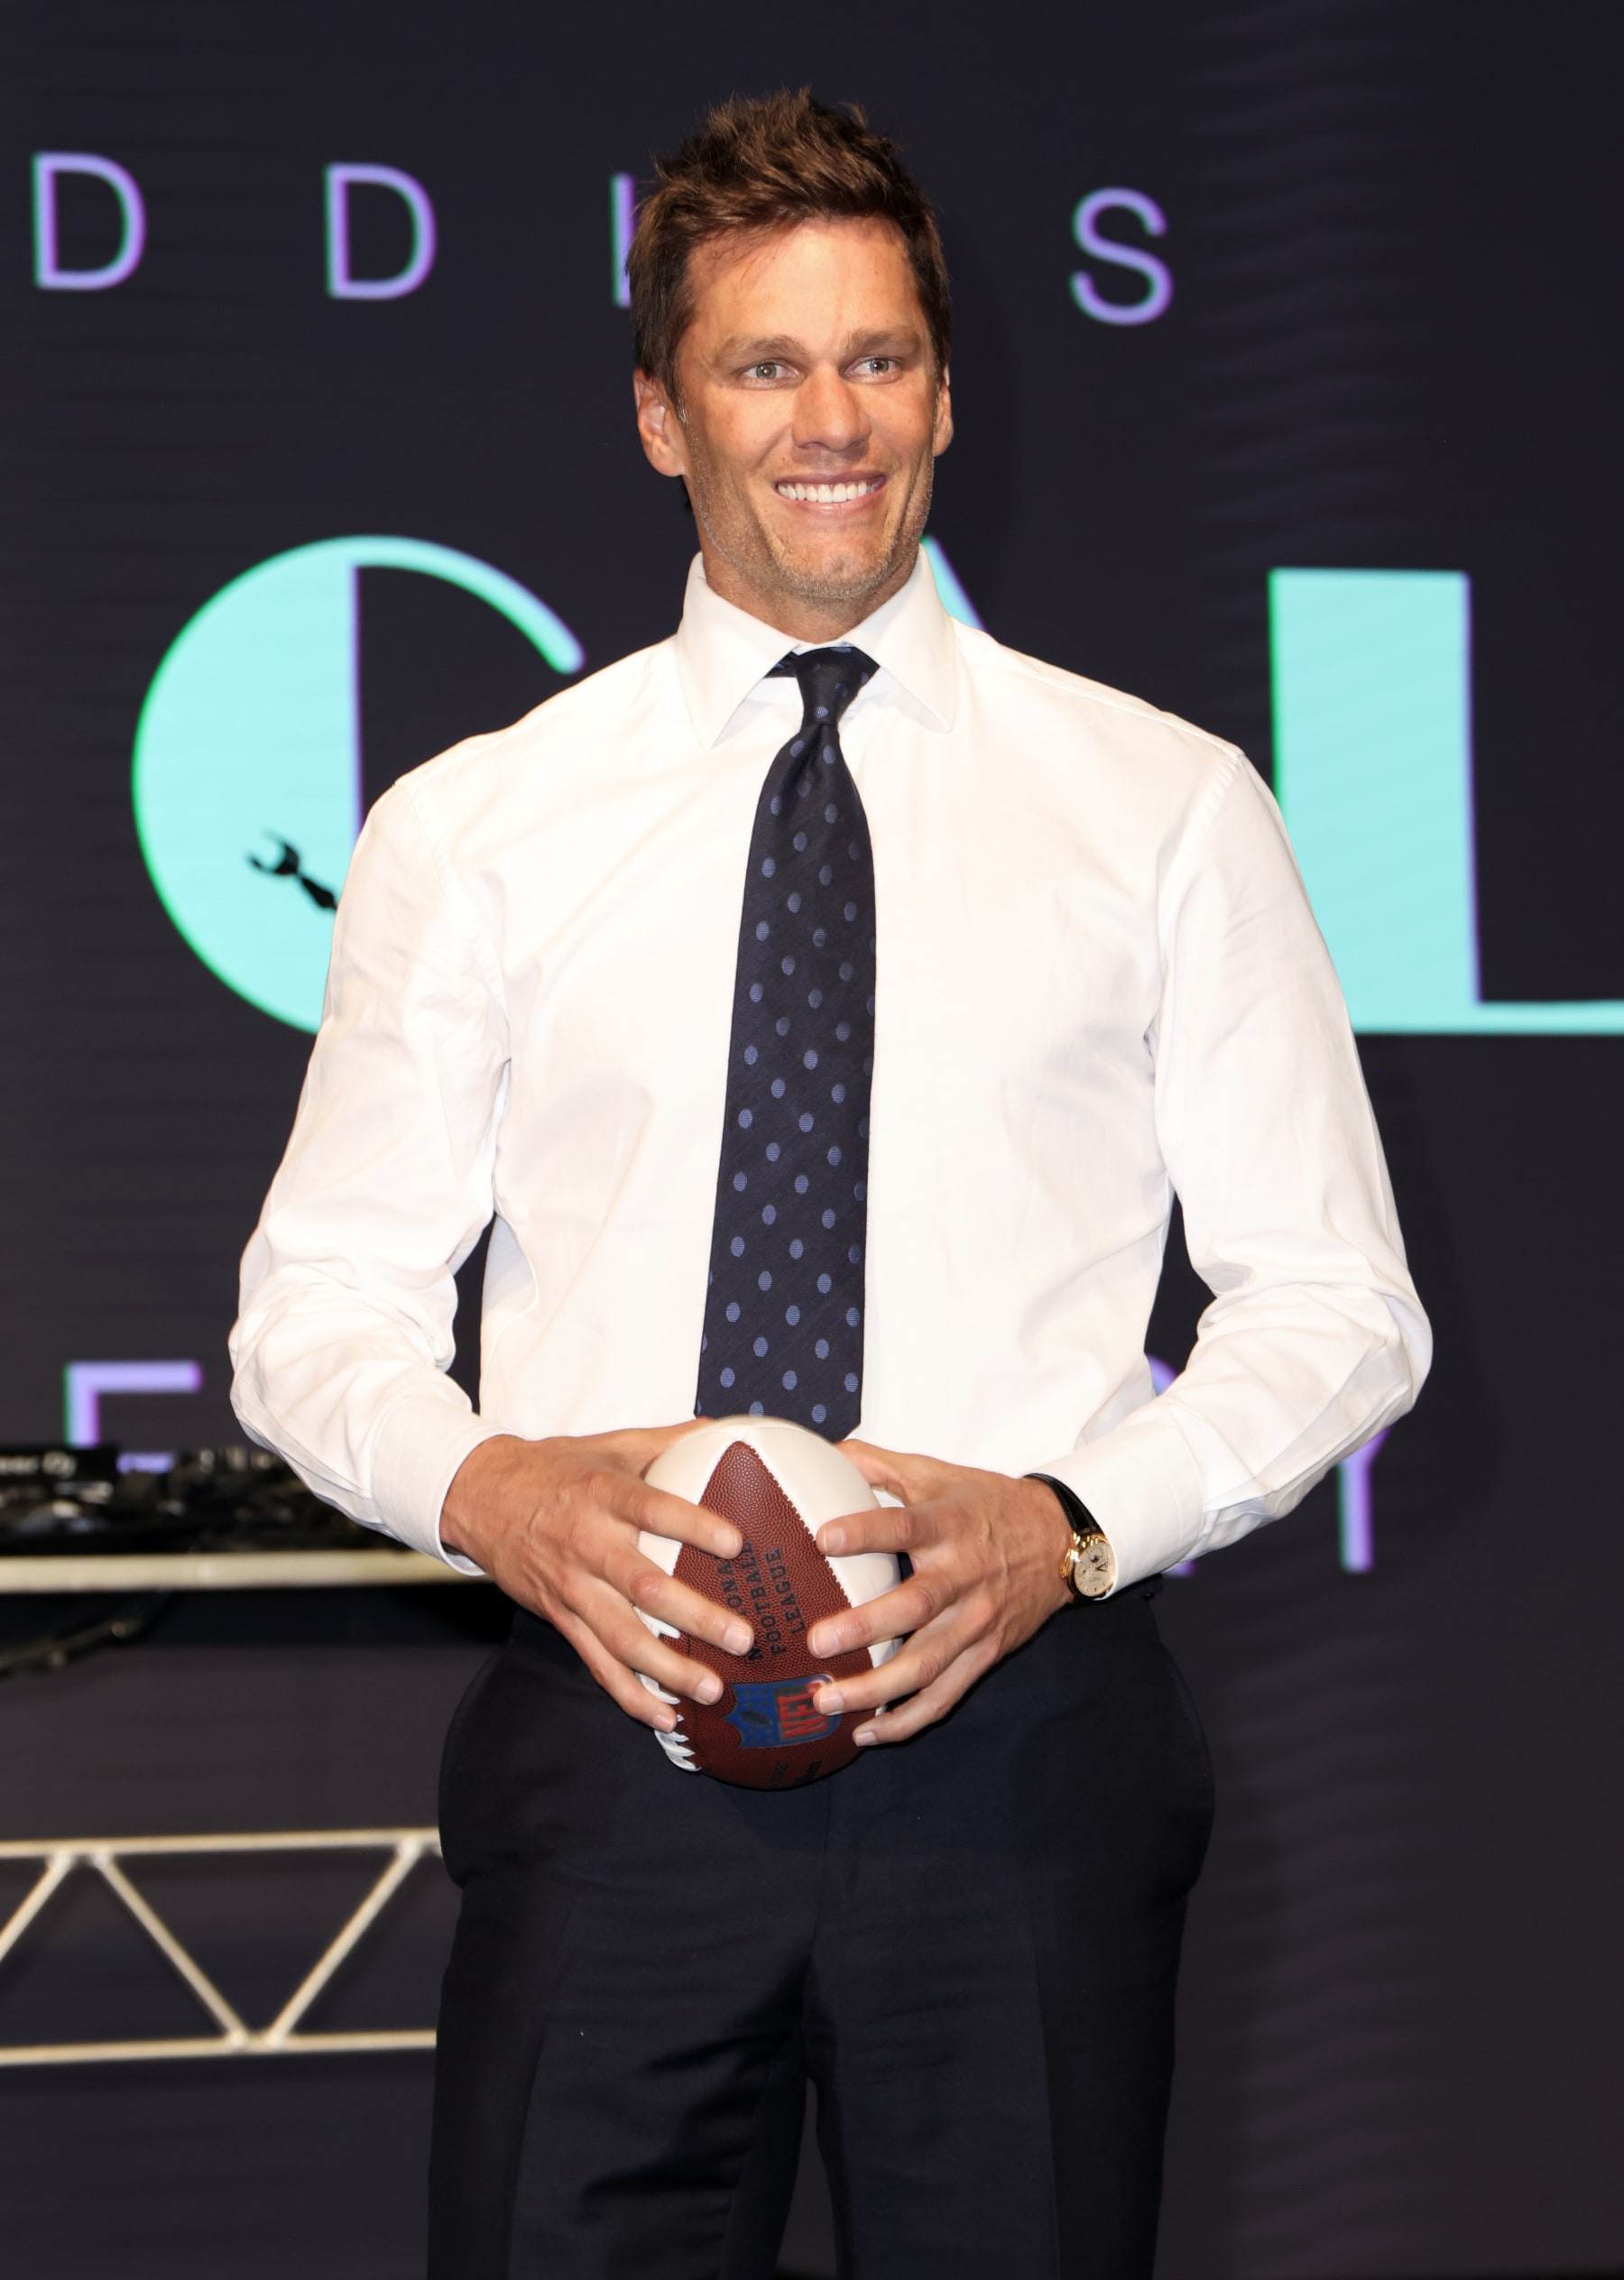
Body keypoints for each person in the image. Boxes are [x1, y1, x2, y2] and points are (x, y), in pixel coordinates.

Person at [231, 89, 1428, 2280]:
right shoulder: (477, 822)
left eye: (877, 357)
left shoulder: (1165, 805)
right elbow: (315, 1312)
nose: (830, 419)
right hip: (612, 1771)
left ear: (948, 396)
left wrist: (1063, 1529)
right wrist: (499, 1495)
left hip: (1028, 1771)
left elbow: (1340, 1305)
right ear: (660, 417)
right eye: (763, 366)